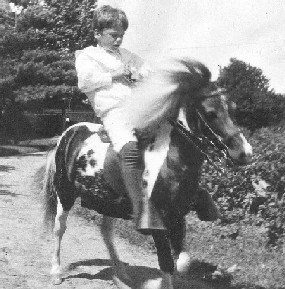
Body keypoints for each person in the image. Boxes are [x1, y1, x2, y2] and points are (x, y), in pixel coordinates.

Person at [75, 5, 165, 233]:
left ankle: (190, 195)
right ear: (98, 33)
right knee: (130, 148)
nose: (118, 40)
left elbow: (148, 71)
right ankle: (140, 211)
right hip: (114, 112)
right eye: (113, 35)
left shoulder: (128, 56)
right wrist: (114, 74)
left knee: (171, 137)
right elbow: (84, 82)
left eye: (121, 36)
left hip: (138, 109)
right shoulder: (87, 55)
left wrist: (140, 75)